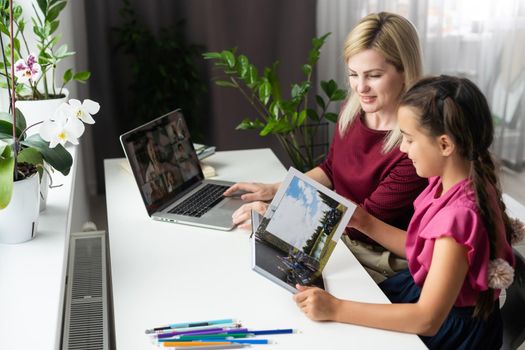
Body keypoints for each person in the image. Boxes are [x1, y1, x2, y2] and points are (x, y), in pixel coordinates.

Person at [293, 75, 516, 349]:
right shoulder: (446, 182)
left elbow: (426, 320)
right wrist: (365, 222)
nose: (402, 148)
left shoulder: (459, 218)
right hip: (429, 300)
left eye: (409, 139)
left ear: (445, 145)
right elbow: (426, 252)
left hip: (448, 330)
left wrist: (336, 309)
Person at [224, 12, 428, 282]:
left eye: (374, 75)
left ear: (406, 71)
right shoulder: (353, 110)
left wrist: (278, 216)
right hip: (337, 235)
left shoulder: (412, 143)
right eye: (354, 74)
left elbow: (360, 223)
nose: (361, 87)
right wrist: (276, 190)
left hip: (371, 254)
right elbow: (332, 170)